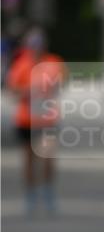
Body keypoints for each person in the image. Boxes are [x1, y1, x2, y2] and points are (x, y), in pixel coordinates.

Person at [6, 27, 67, 215]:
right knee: (29, 159)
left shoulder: (53, 61)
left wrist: (50, 87)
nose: (36, 48)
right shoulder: (21, 64)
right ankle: (30, 195)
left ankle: (48, 192)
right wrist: (28, 91)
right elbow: (13, 91)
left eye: (39, 44)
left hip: (47, 119)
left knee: (47, 158)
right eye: (33, 45)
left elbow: (62, 82)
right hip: (26, 119)